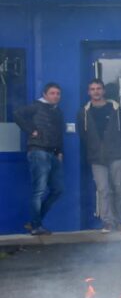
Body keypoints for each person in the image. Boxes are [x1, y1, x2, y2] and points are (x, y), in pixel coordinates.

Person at [77, 79, 121, 232]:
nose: (96, 91)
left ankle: (120, 221)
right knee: (103, 190)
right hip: (96, 157)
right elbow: (83, 135)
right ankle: (107, 222)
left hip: (116, 154)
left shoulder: (116, 109)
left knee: (119, 189)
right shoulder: (84, 112)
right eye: (92, 89)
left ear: (103, 91)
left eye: (98, 88)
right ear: (89, 92)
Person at [13, 82, 65, 235]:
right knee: (39, 191)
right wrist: (31, 131)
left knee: (58, 190)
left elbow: (59, 133)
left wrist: (60, 152)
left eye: (58, 93)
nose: (55, 96)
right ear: (45, 94)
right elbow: (16, 114)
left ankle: (34, 222)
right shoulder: (36, 106)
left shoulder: (58, 111)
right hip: (38, 152)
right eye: (52, 93)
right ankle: (36, 227)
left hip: (53, 154)